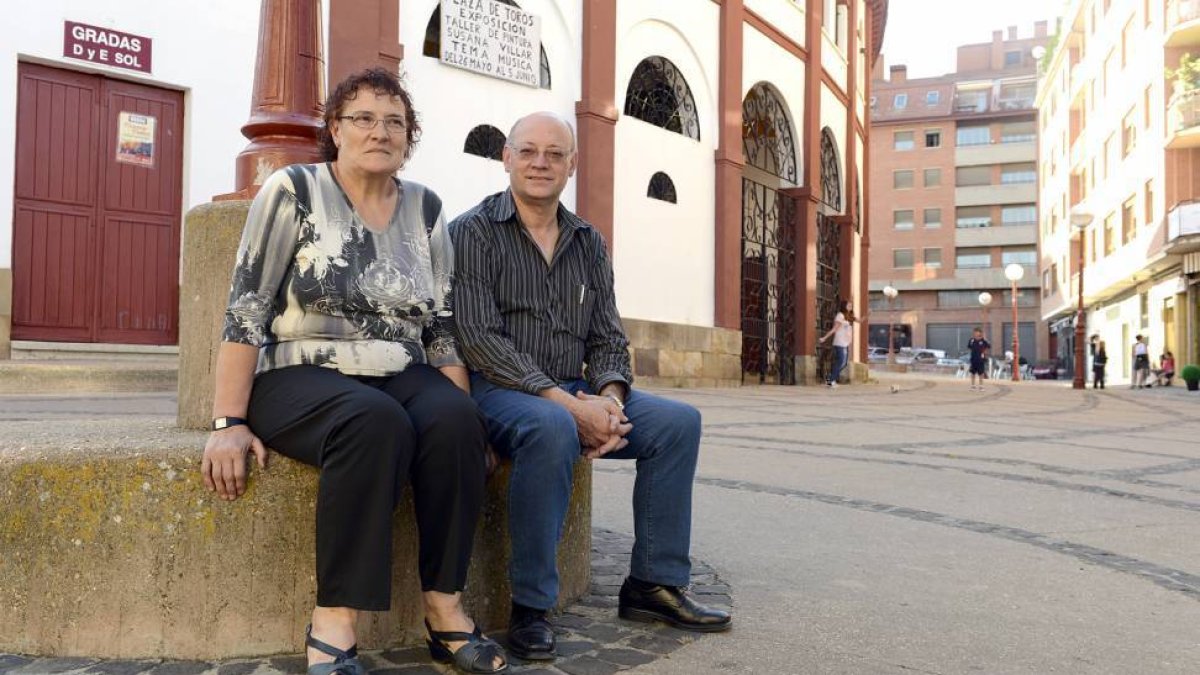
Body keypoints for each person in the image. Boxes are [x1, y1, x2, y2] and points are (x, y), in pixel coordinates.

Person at [201, 68, 506, 675]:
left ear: (408, 138)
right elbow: (247, 308)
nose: (380, 131)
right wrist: (228, 420)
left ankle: (445, 611)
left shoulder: (426, 207)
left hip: (399, 364)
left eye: (395, 121)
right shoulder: (292, 190)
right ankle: (333, 624)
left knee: (452, 422)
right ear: (335, 129)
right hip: (301, 368)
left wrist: (467, 423)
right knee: (375, 423)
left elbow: (440, 323)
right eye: (363, 118)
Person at [448, 112, 731, 662]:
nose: (540, 163)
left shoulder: (588, 242)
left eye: (555, 154)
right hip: (499, 391)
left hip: (578, 390)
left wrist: (610, 401)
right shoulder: (472, 232)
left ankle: (653, 583)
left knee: (679, 424)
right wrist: (564, 404)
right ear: (506, 158)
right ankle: (530, 607)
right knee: (554, 426)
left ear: (571, 165)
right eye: (528, 151)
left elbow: (607, 336)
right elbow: (480, 340)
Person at [817, 299, 854, 388]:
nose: (850, 307)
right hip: (839, 342)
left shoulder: (848, 316)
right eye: (848, 305)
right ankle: (831, 381)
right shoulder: (840, 316)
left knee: (844, 363)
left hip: (845, 343)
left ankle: (830, 378)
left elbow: (860, 321)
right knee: (840, 361)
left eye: (851, 306)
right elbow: (834, 329)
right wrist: (824, 338)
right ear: (844, 306)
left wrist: (868, 315)